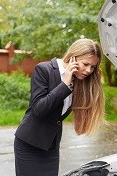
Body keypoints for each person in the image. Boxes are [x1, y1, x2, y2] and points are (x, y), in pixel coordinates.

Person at [14, 38, 105, 176]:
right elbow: (38, 109)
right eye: (86, 64)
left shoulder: (79, 80)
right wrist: (64, 84)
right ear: (73, 57)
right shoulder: (44, 70)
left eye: (93, 67)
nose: (88, 70)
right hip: (29, 145)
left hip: (51, 147)